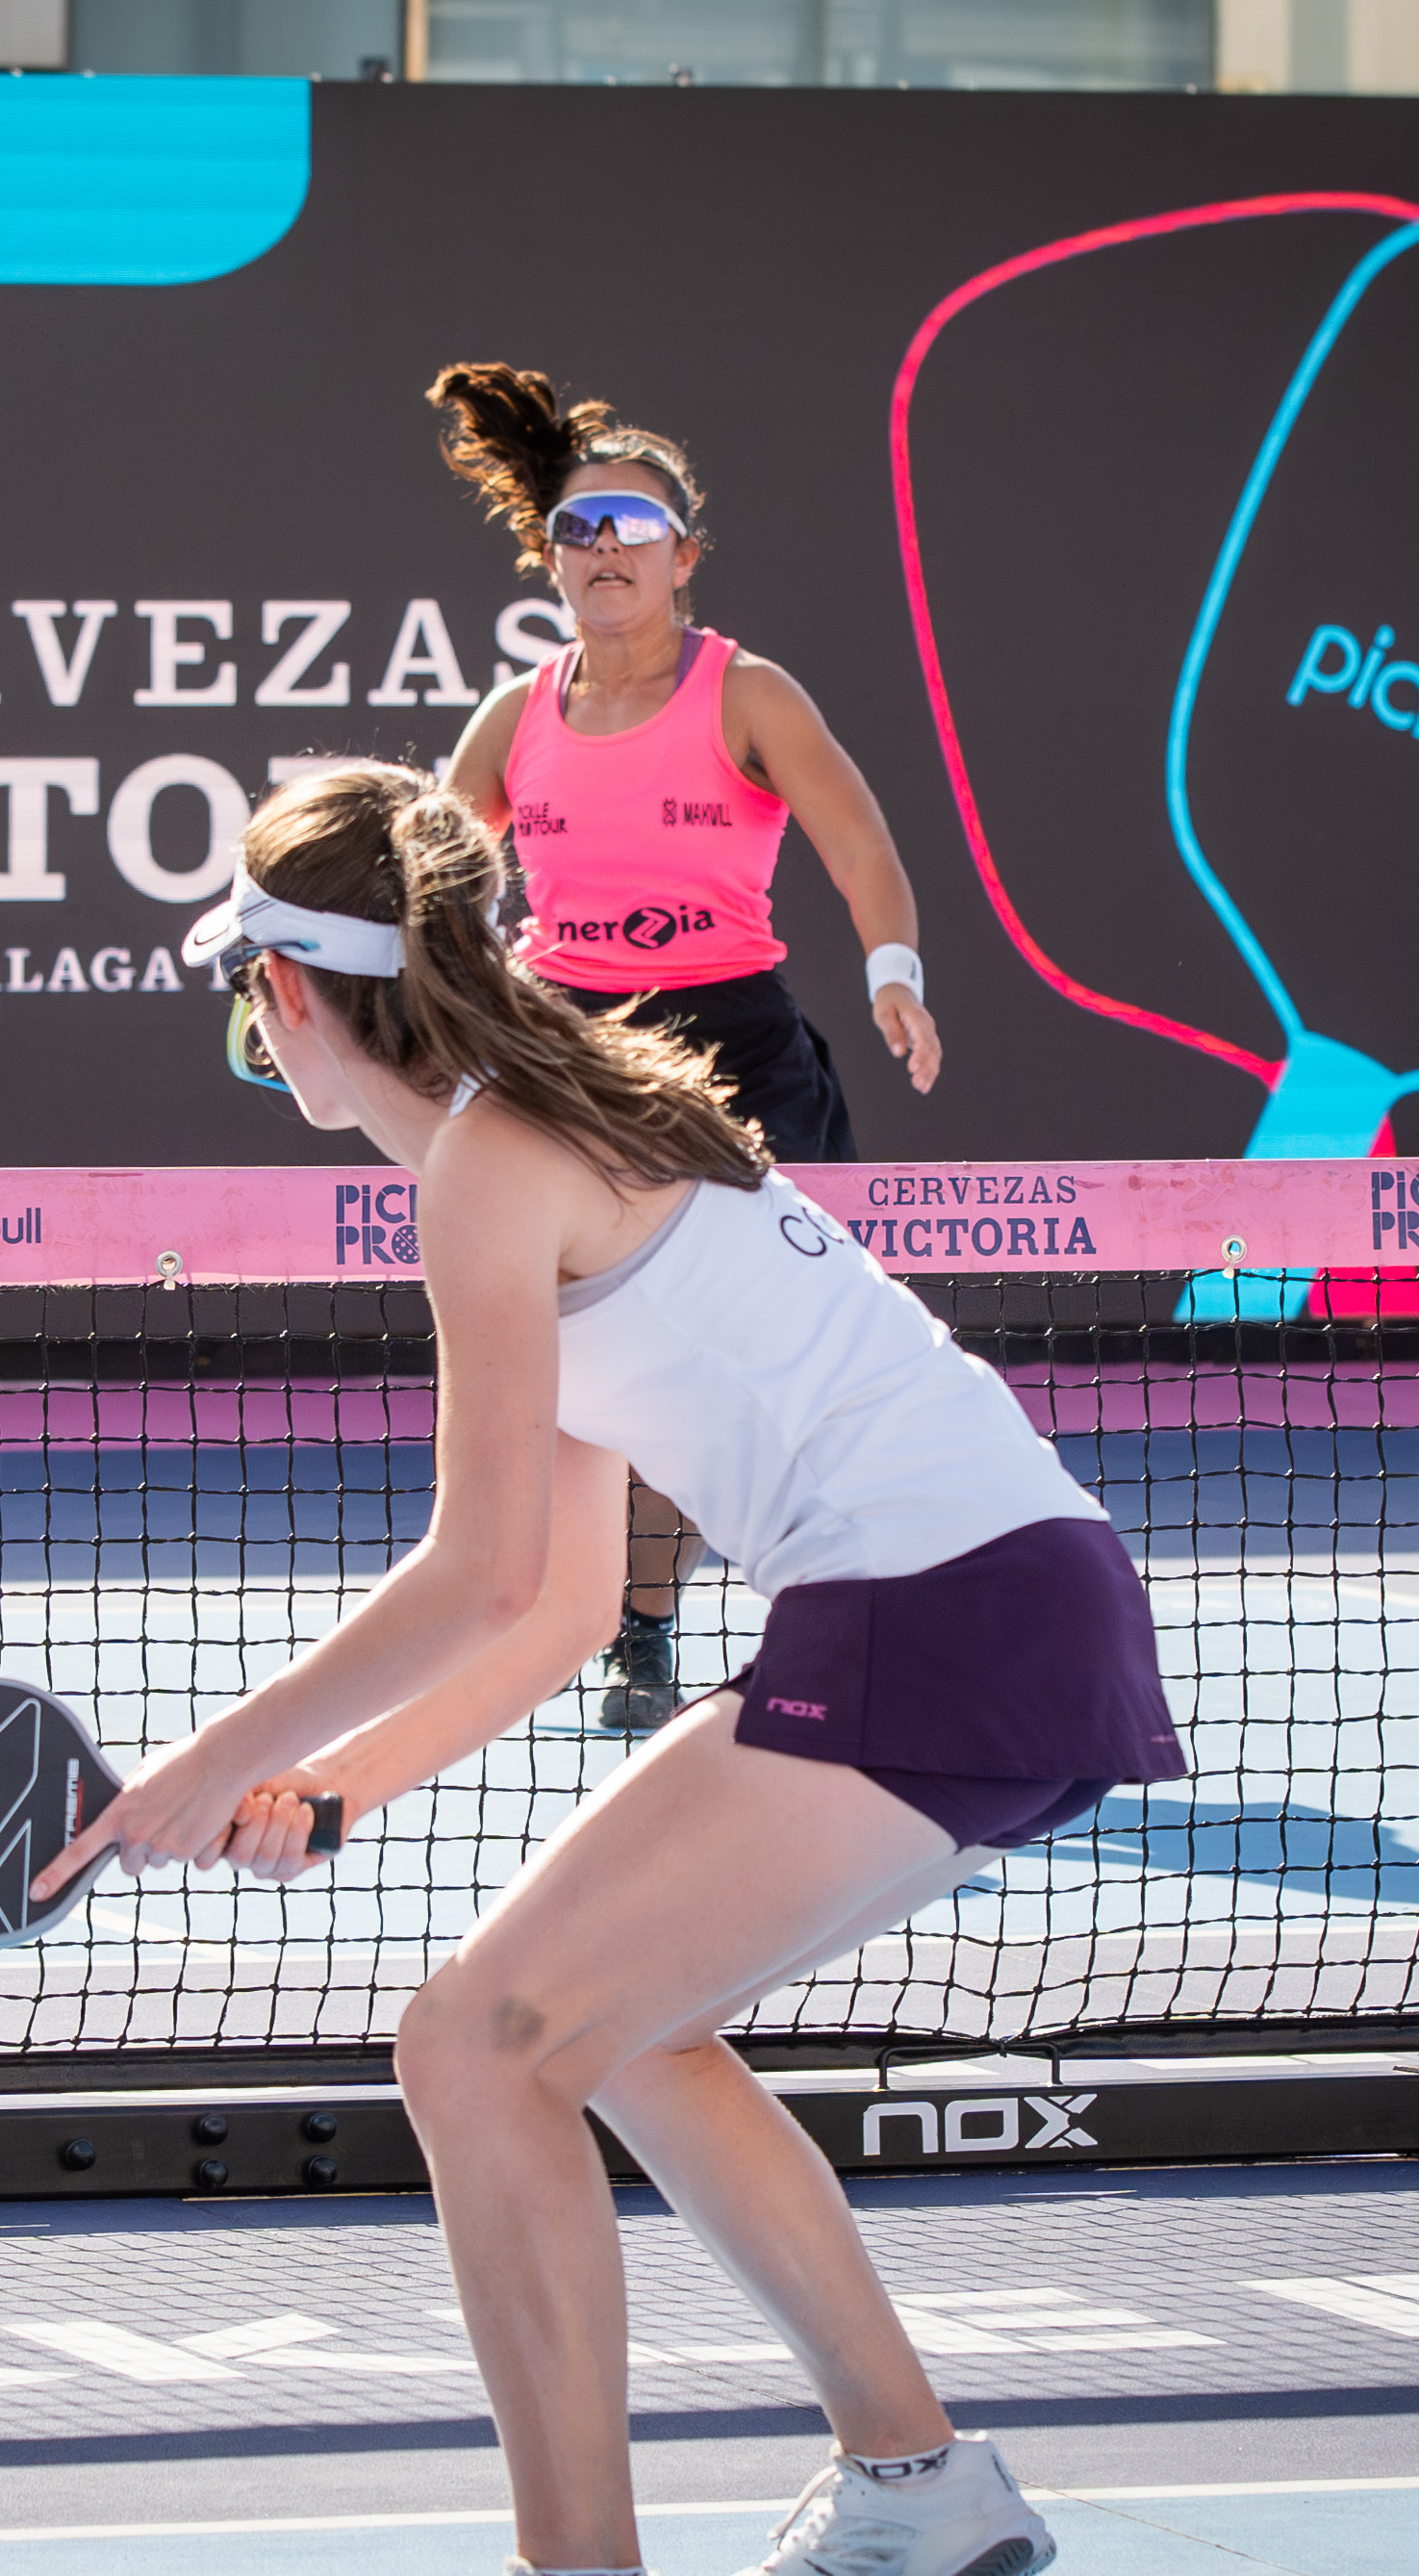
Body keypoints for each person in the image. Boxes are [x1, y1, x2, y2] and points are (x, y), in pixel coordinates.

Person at [34, 763, 1178, 2576]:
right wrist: (334, 1785)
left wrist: (207, 1757)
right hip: (1023, 1601)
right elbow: (567, 1601)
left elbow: (474, 1570)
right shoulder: (558, 1118)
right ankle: (923, 2486)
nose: (255, 1024)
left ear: (295, 990)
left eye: (250, 991)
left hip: (940, 1609)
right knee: (622, 2034)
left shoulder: (489, 1164)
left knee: (473, 2047)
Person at [433, 363, 943, 1735]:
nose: (606, 549)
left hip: (737, 1062)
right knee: (600, 1369)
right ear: (552, 557)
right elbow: (433, 882)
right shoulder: (513, 718)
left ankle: (828, 1614)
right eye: (581, 528)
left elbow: (861, 845)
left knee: (763, 1369)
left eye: (635, 528)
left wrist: (894, 973)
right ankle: (631, 1628)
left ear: (684, 557)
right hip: (573, 1060)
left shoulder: (748, 694)